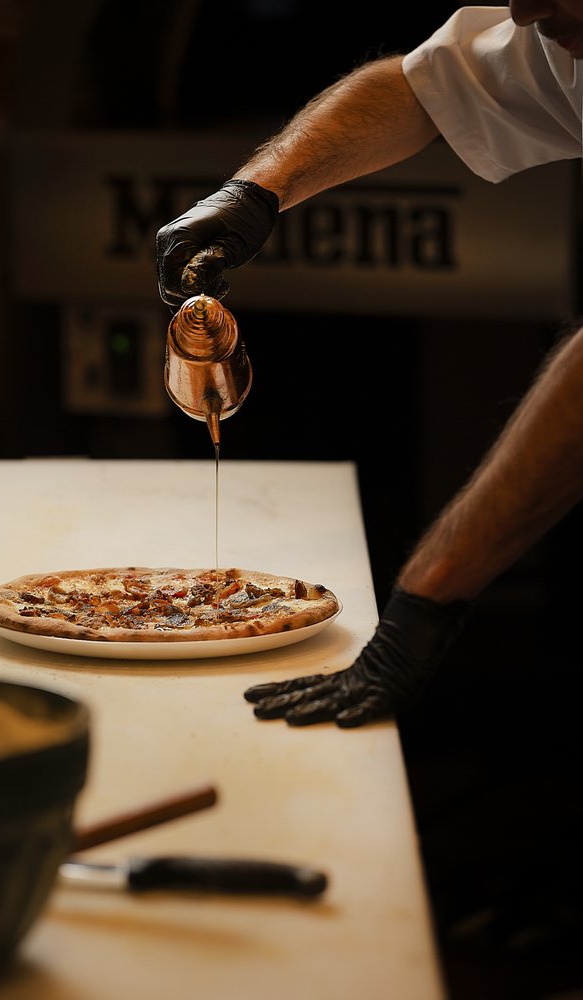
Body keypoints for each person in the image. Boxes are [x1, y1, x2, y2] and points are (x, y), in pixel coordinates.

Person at [155, 1, 583, 728]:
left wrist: (425, 597)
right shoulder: (561, 24)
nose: (522, 8)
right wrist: (258, 187)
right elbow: (423, 86)